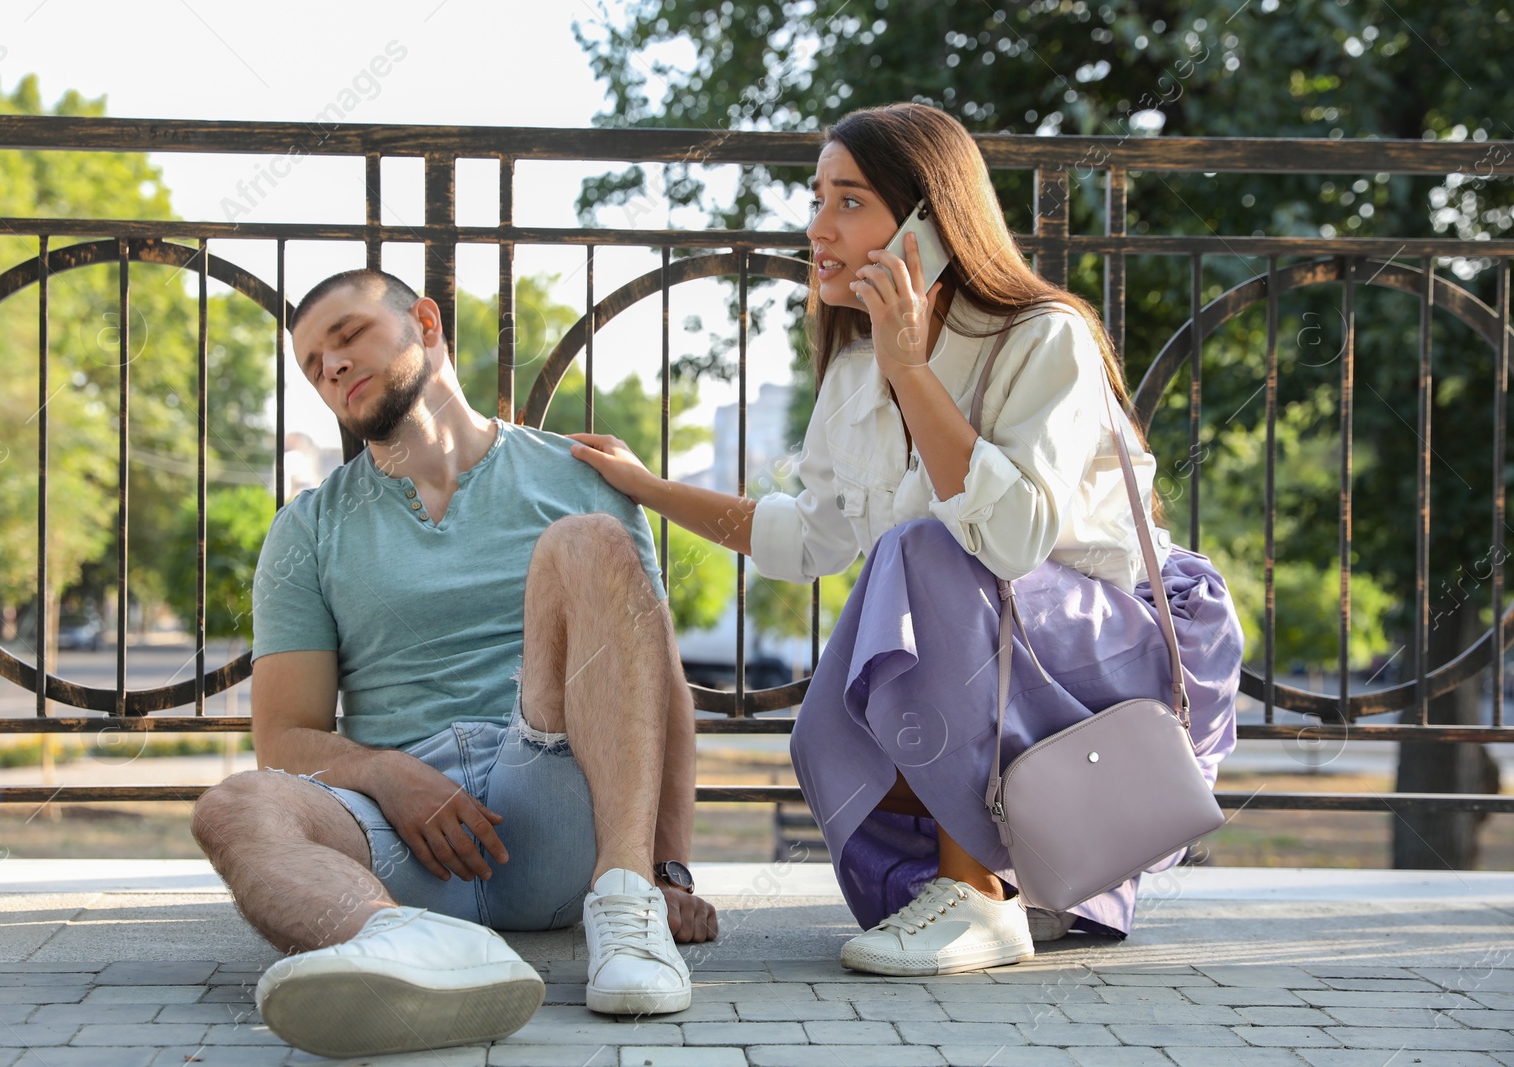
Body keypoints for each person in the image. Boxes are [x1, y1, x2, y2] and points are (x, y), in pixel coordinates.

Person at [570, 102, 1242, 977]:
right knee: (825, 730)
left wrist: (912, 370)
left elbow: (1013, 539)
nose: (818, 227)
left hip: (1102, 658)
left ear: (930, 219)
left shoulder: (1045, 337)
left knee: (923, 552)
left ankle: (983, 893)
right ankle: (987, 878)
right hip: (991, 661)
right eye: (817, 199)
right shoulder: (853, 373)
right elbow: (806, 539)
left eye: (848, 202)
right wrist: (648, 488)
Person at [190, 268, 717, 1059]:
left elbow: (661, 690)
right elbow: (287, 739)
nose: (330, 367)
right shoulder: (306, 529)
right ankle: (408, 951)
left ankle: (627, 908)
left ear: (425, 324)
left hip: (553, 794)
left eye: (348, 336)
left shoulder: (582, 476)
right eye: (311, 364)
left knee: (586, 542)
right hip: (398, 843)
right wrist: (386, 774)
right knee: (232, 807)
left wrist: (669, 869)